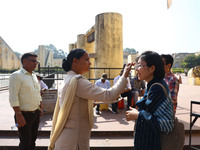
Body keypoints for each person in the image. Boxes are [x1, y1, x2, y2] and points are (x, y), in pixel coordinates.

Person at [48, 49, 133, 150]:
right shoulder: (78, 81)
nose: (90, 63)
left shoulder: (67, 79)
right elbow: (109, 95)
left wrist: (87, 104)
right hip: (74, 141)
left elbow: (72, 105)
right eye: (86, 60)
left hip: (67, 137)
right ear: (75, 61)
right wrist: (124, 76)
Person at [126, 51, 174, 150]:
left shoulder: (156, 88)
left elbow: (149, 114)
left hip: (154, 141)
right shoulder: (153, 85)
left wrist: (137, 115)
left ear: (152, 68)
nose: (136, 69)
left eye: (139, 65)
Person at [9, 52, 43, 150]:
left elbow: (37, 92)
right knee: (25, 143)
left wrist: (40, 107)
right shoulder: (16, 76)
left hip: (35, 113)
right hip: (24, 115)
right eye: (33, 61)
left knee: (32, 141)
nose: (35, 63)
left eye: (36, 61)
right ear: (24, 61)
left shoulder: (33, 76)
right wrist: (19, 115)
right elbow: (13, 97)